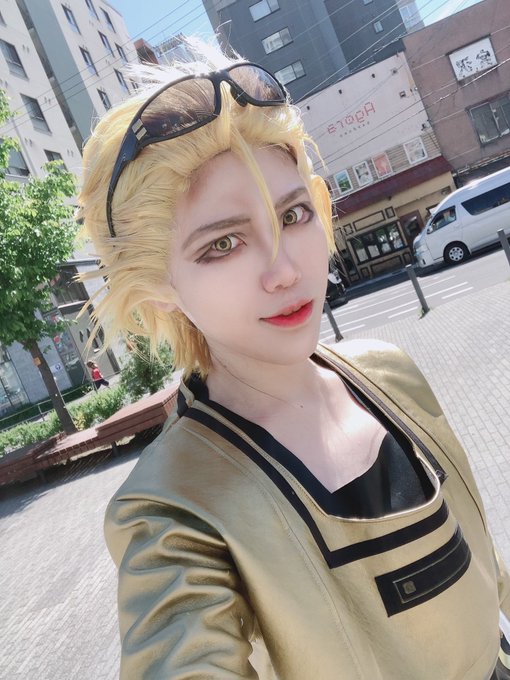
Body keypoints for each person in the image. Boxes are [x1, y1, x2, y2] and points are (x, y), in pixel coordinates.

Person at [78, 43, 510, 679]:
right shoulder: (173, 509)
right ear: (158, 282)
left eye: (294, 214)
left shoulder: (387, 372)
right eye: (223, 243)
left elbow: (481, 562)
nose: (284, 270)